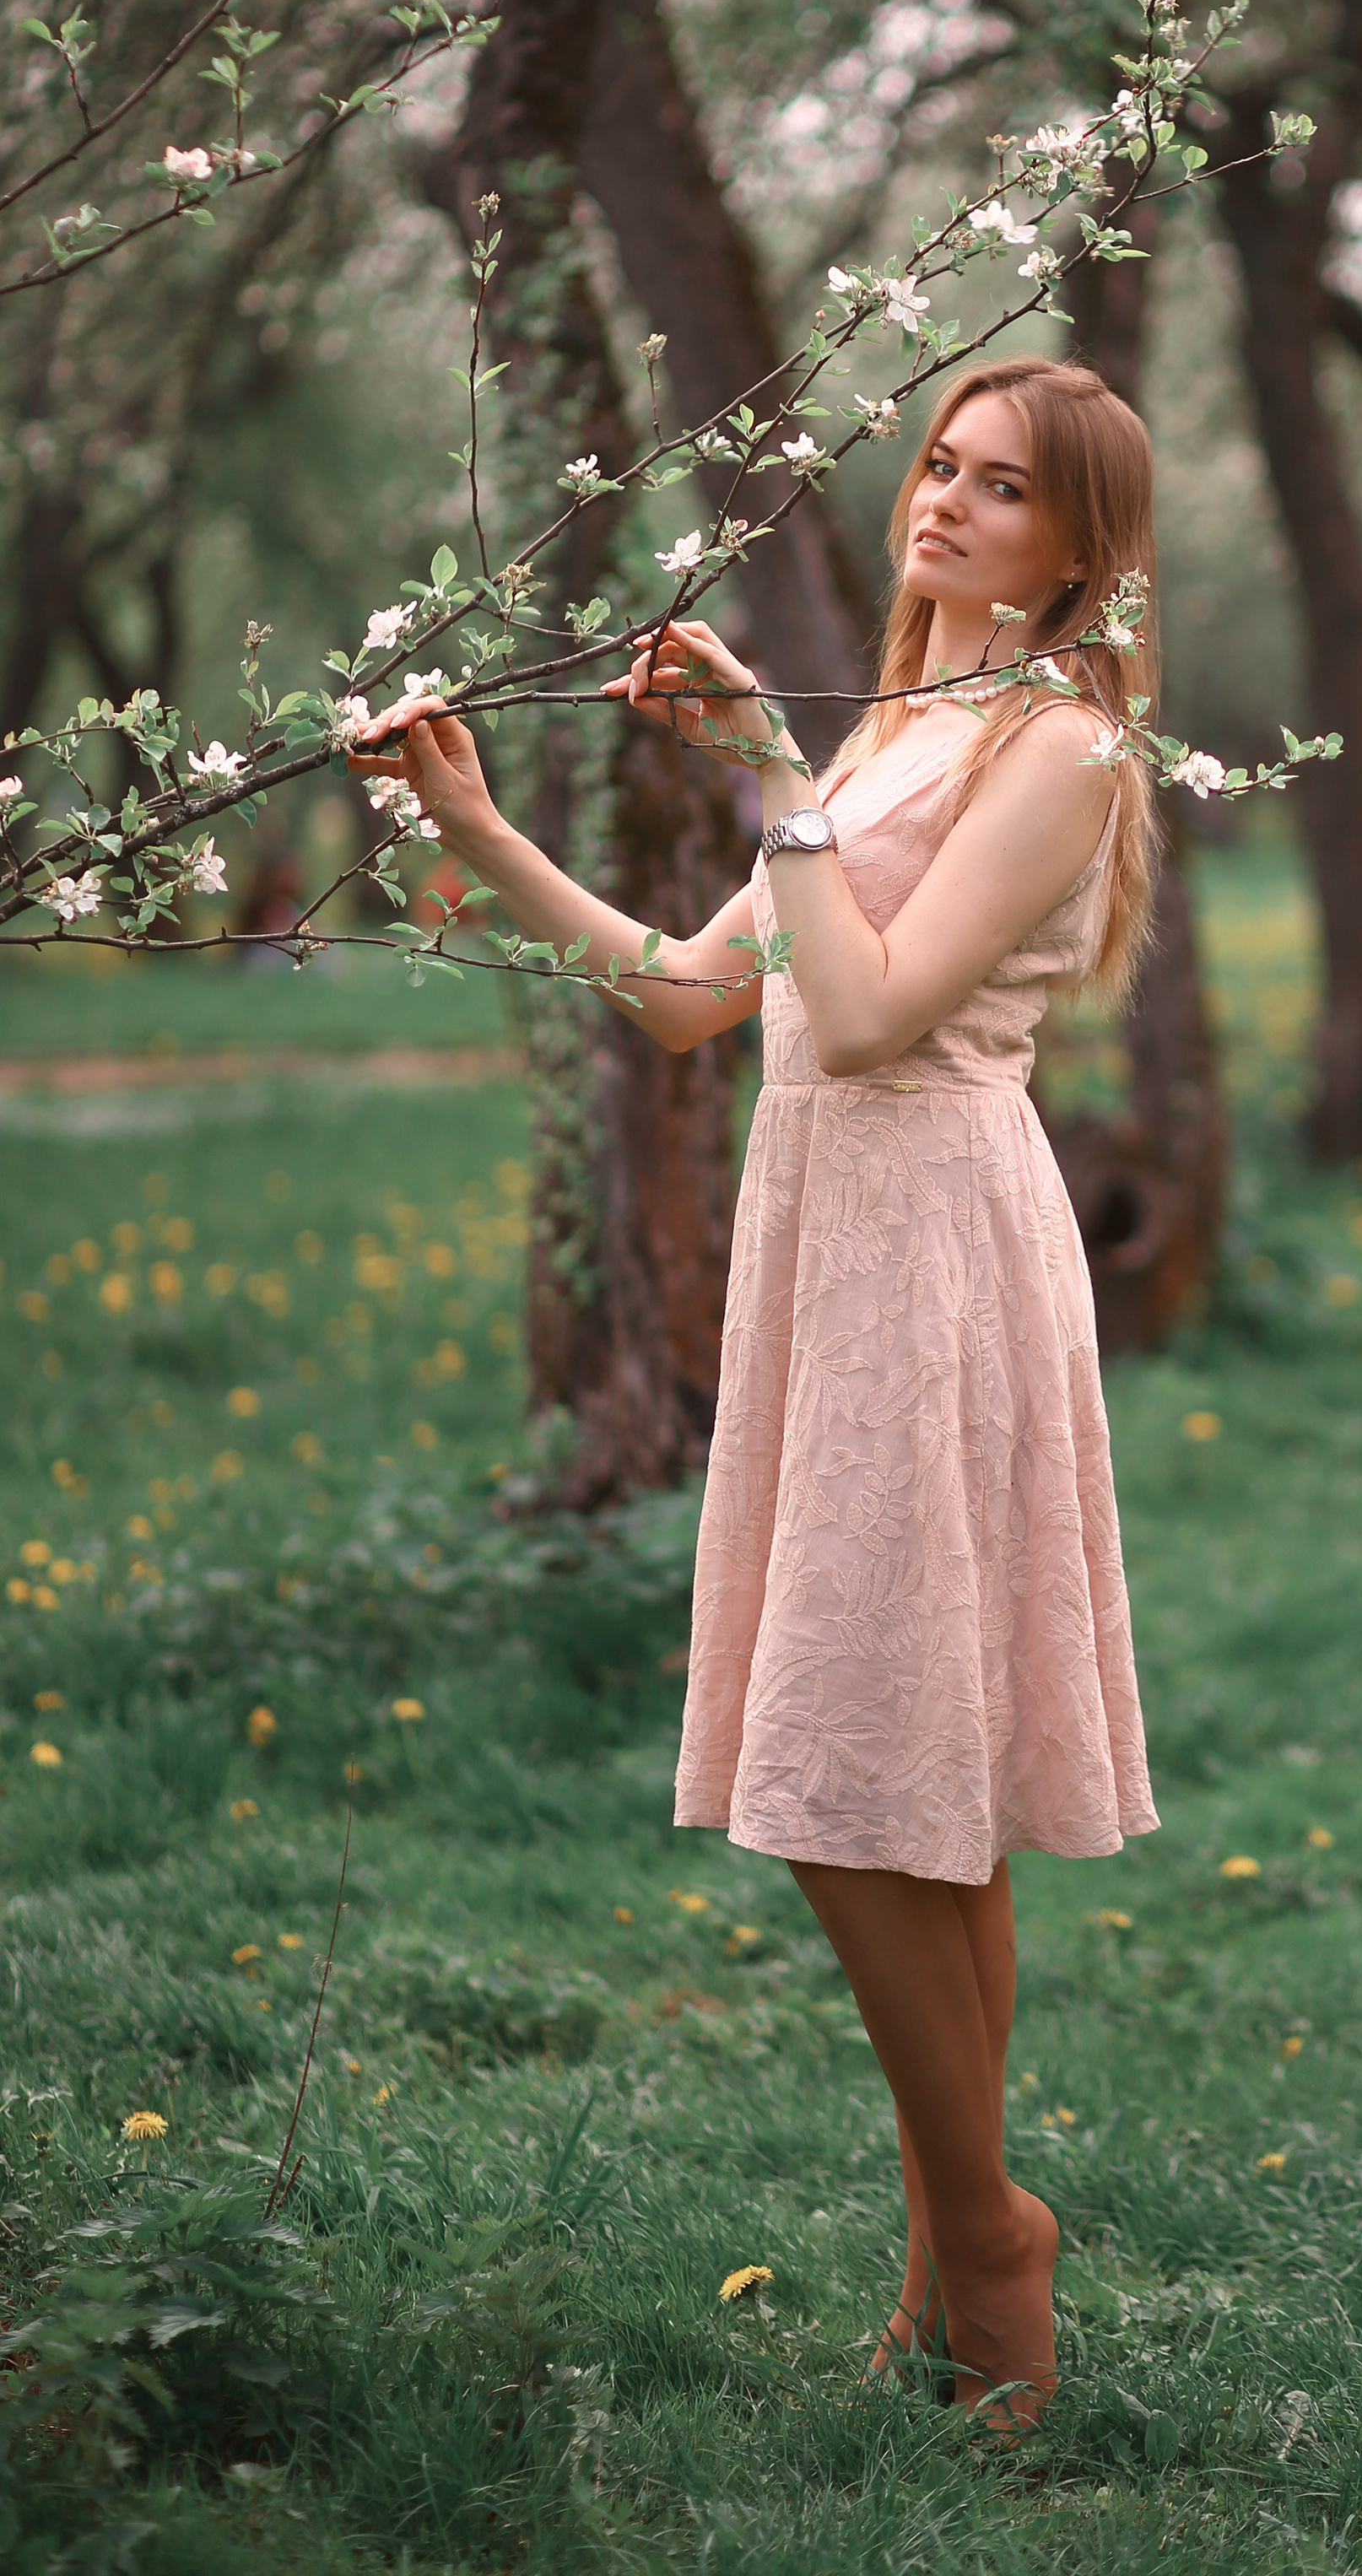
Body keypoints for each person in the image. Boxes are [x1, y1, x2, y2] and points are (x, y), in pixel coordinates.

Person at [353, 356, 1163, 2427]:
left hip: (940, 1258)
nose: (946, 502)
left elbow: (875, 1019)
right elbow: (696, 997)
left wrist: (765, 777)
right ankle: (949, 2269)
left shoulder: (1061, 748)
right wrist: (474, 825)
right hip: (834, 1259)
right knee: (916, 1781)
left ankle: (990, 2236)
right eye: (939, 465)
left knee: (852, 1766)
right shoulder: (893, 729)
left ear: (1082, 544)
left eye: (1004, 488)